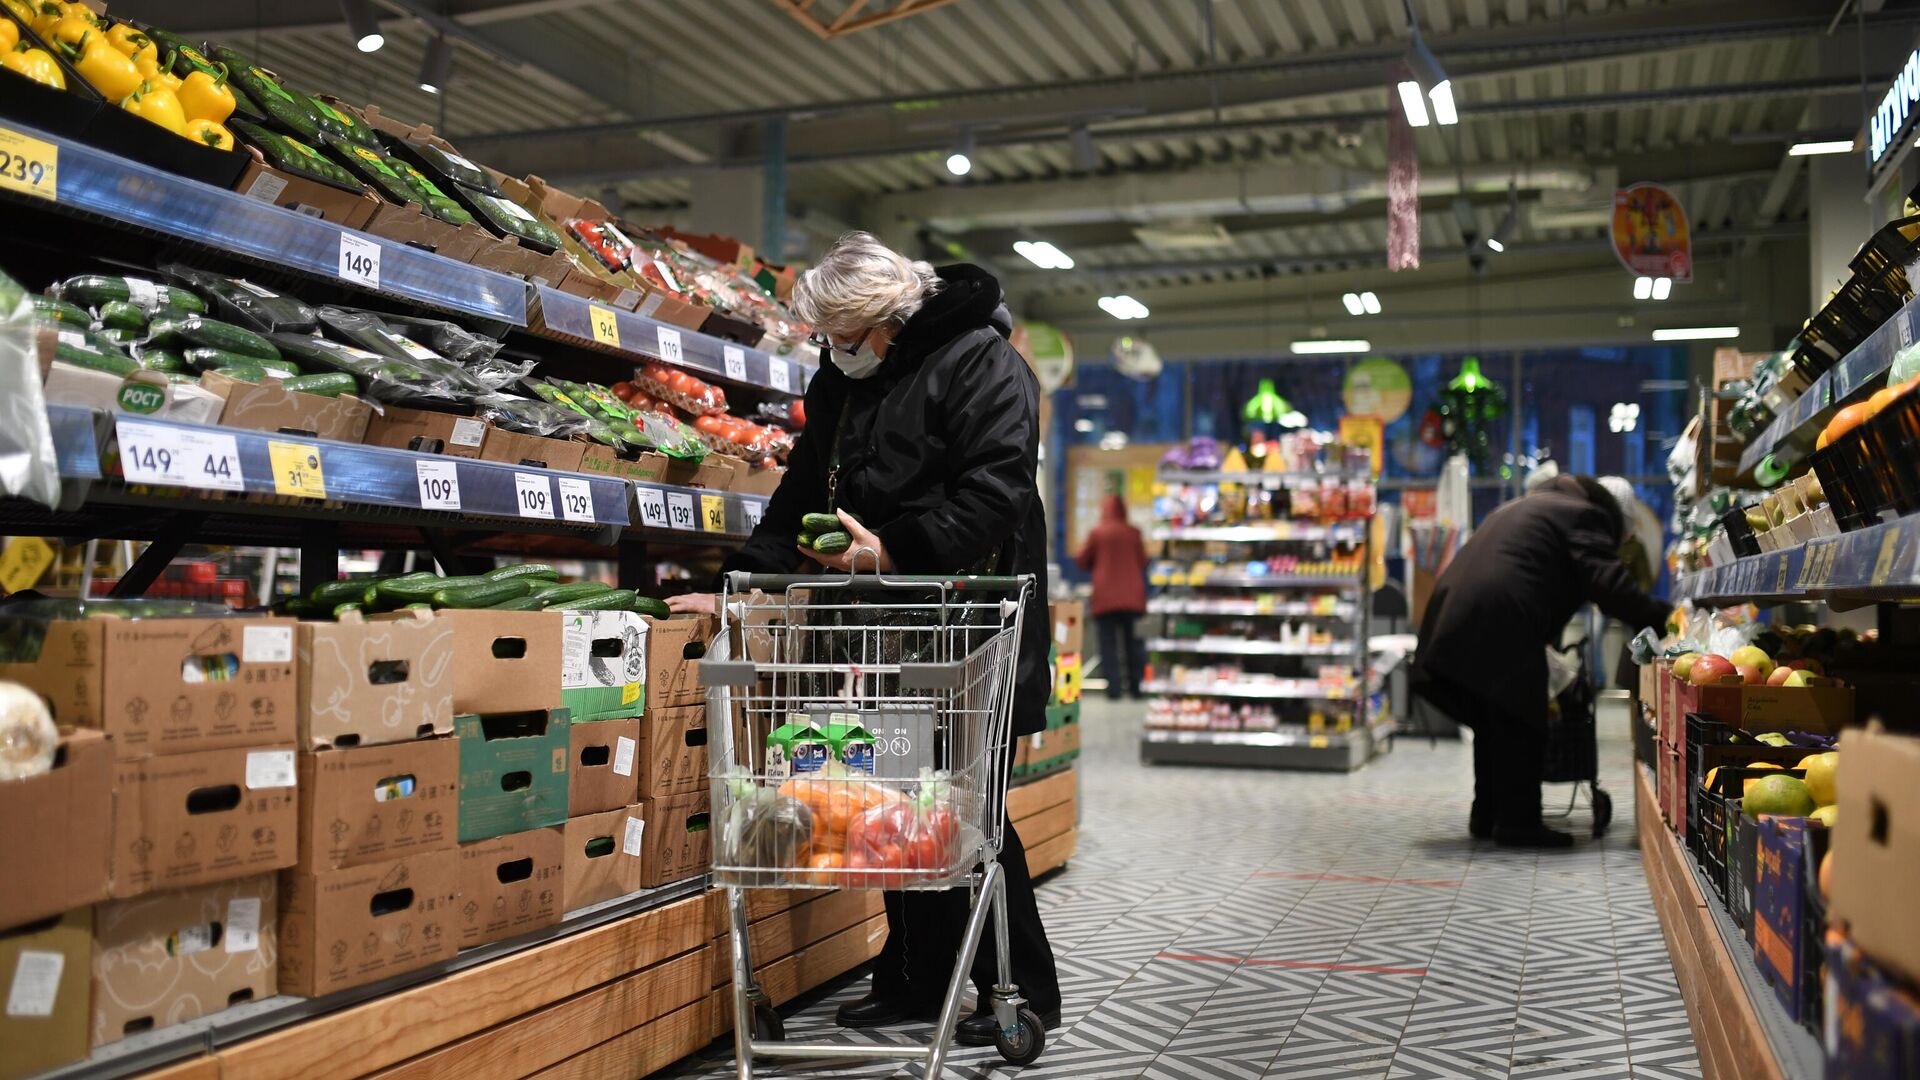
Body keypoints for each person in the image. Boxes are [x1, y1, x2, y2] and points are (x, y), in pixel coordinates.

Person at [666, 232, 1060, 1043]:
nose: (834, 353)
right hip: (878, 630)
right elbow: (802, 490)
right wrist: (740, 582)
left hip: (967, 622)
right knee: (891, 797)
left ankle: (1021, 993)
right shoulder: (849, 380)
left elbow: (998, 494)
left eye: (843, 339)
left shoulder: (984, 363)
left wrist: (893, 551)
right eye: (827, 341)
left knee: (973, 814)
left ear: (888, 322)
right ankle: (916, 980)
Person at [1410, 474, 1668, 848]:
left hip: (1456, 612)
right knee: (1519, 715)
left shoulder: (1538, 504)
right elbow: (1609, 585)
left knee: (1492, 716)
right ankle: (1518, 823)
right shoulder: (1584, 516)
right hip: (1500, 616)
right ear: (1617, 520)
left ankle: (1488, 814)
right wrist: (1663, 617)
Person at [1076, 493, 1148, 698]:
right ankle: (1136, 688)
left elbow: (1082, 560)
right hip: (1132, 598)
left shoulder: (1097, 533)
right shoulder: (1134, 533)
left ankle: (1114, 690)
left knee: (1108, 646)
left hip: (1105, 598)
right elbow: (1143, 561)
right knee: (1133, 644)